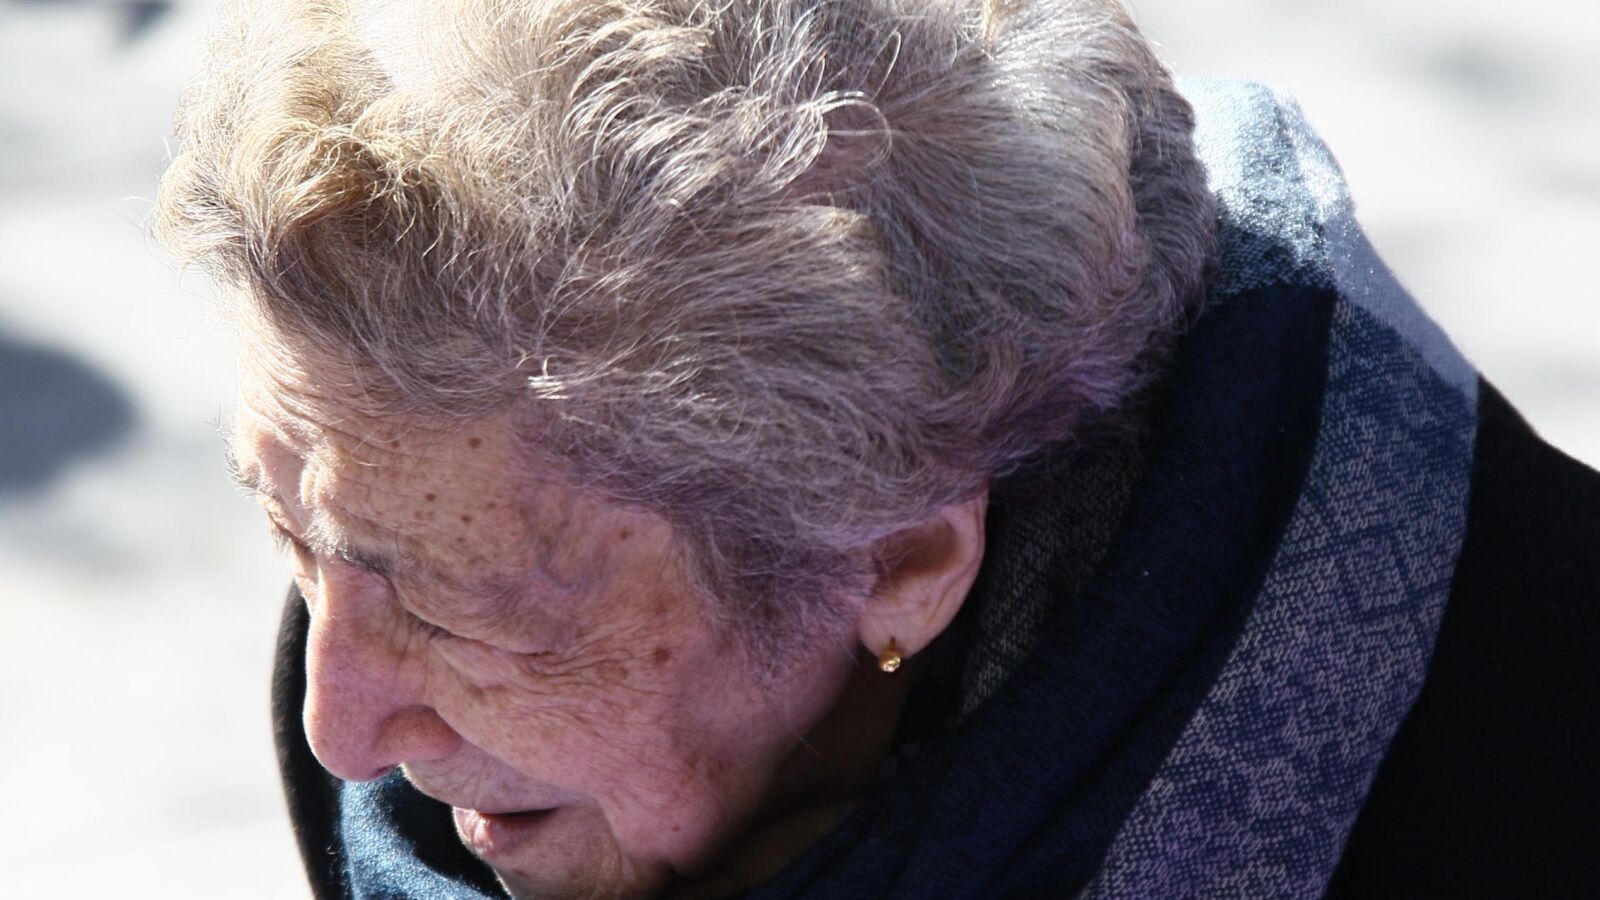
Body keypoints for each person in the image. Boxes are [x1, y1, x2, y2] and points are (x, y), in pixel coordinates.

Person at [153, 0, 1599, 897]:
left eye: (462, 610)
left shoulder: (1518, 796)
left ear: (902, 560)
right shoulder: (421, 528)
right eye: (294, 536)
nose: (343, 732)